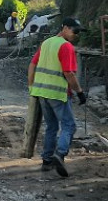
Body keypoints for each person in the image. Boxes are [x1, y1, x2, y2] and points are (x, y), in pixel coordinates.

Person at [27, 17, 87, 177]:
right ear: (65, 28)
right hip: (57, 94)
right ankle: (60, 155)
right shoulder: (66, 47)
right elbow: (69, 73)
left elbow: (32, 64)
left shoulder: (47, 43)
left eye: (78, 32)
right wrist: (80, 92)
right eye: (75, 31)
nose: (76, 34)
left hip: (41, 93)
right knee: (69, 126)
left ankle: (46, 162)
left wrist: (31, 86)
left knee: (52, 127)